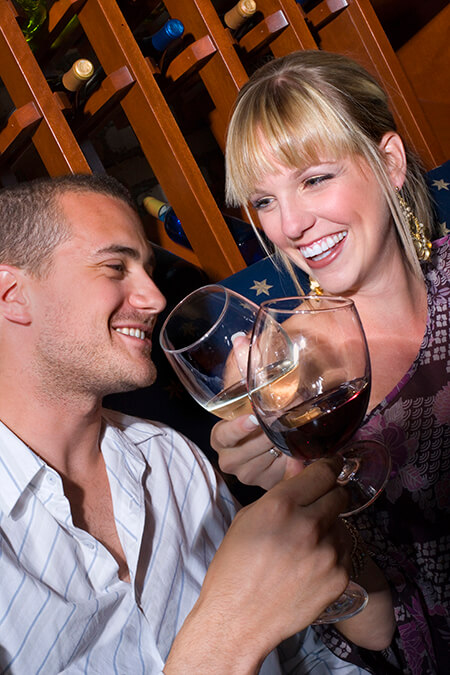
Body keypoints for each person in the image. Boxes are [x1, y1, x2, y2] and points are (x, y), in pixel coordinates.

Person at [0, 173, 393, 674]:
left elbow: (311, 655)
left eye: (146, 268)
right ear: (12, 293)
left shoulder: (171, 457)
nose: (155, 299)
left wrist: (318, 523)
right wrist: (229, 633)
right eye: (116, 267)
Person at [211, 50, 449, 674]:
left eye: (315, 179)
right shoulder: (292, 374)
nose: (290, 224)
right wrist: (297, 493)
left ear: (389, 162)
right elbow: (374, 630)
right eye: (263, 201)